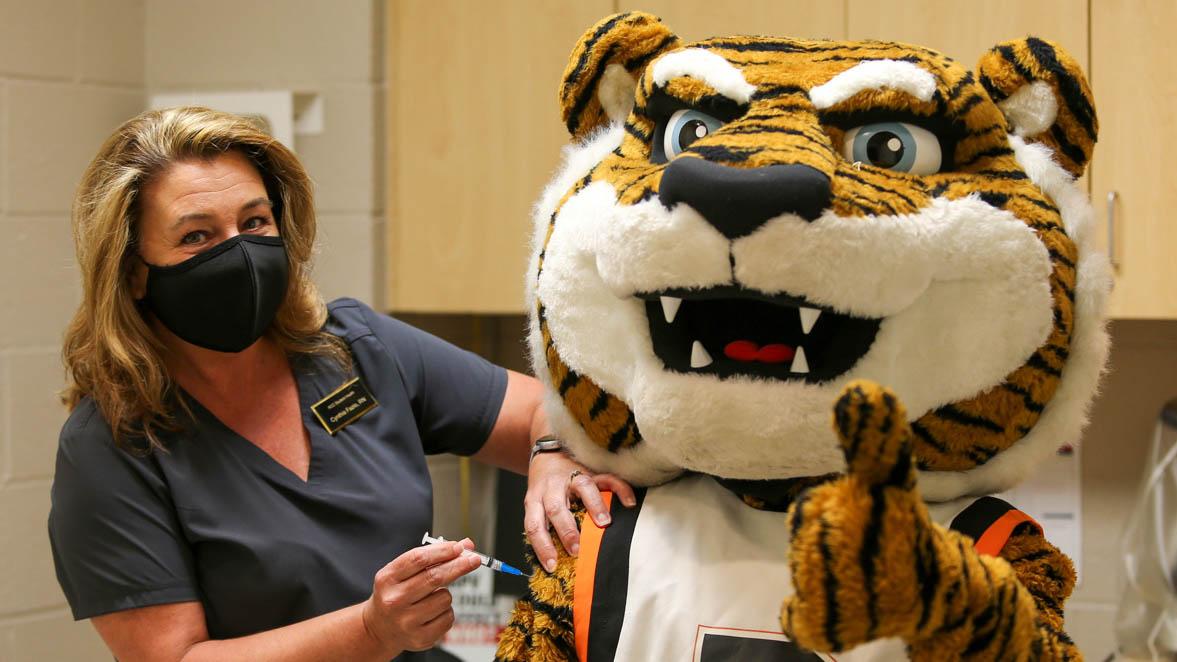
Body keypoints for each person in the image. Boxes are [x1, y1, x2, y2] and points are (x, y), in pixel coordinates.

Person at [47, 106, 635, 662]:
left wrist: (551, 453)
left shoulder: (351, 349)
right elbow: (174, 657)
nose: (240, 253)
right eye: (196, 236)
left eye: (255, 222)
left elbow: (539, 411)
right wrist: (371, 631)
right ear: (133, 272)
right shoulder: (112, 446)